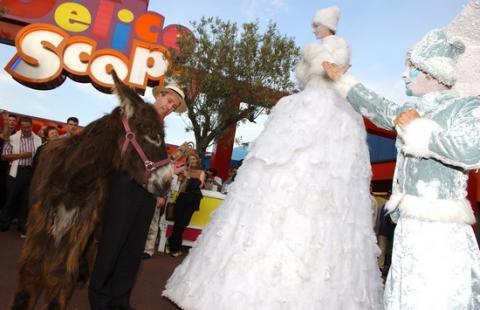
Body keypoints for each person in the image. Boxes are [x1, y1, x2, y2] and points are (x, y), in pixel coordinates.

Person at [163, 6, 382, 309]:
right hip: (305, 104)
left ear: (327, 26)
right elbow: (305, 74)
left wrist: (313, 55)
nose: (314, 29)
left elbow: (330, 67)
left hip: (328, 109)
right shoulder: (313, 54)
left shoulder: (339, 45)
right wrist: (309, 59)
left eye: (318, 25)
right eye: (313, 25)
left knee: (322, 170)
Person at [323, 26, 480, 309]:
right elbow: (379, 107)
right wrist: (345, 82)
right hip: (407, 228)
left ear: (433, 73)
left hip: (441, 234)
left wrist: (419, 130)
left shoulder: (466, 108)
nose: (403, 74)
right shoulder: (408, 111)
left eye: (411, 68)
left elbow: (471, 150)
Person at [88, 82, 187, 310]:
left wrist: (161, 189)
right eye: (170, 101)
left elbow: (156, 162)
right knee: (113, 242)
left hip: (147, 192)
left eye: (175, 105)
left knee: (133, 248)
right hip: (125, 183)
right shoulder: (134, 112)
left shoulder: (160, 128)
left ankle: (120, 299)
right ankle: (99, 296)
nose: (170, 107)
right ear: (160, 95)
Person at [0, 116, 42, 236]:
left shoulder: (38, 139)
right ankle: (3, 224)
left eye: (28, 127)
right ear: (20, 127)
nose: (26, 129)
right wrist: (22, 155)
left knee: (25, 201)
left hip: (31, 172)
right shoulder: (13, 138)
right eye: (23, 127)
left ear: (31, 126)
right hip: (16, 171)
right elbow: (4, 156)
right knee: (10, 199)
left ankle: (22, 225)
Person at [167, 151, 205, 257]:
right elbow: (172, 171)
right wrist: (174, 160)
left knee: (182, 224)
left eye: (194, 159)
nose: (192, 161)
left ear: (197, 160)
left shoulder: (201, 172)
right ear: (187, 160)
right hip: (182, 198)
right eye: (190, 159)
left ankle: (172, 243)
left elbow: (199, 185)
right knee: (177, 224)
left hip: (192, 200)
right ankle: (175, 248)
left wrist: (187, 177)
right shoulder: (184, 169)